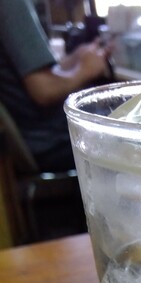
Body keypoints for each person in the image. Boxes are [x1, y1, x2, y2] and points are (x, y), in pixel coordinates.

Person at [0, 0, 112, 172]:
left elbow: (35, 76)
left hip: (38, 138)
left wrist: (75, 60)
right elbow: (44, 90)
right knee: (132, 130)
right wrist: (85, 70)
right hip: (51, 142)